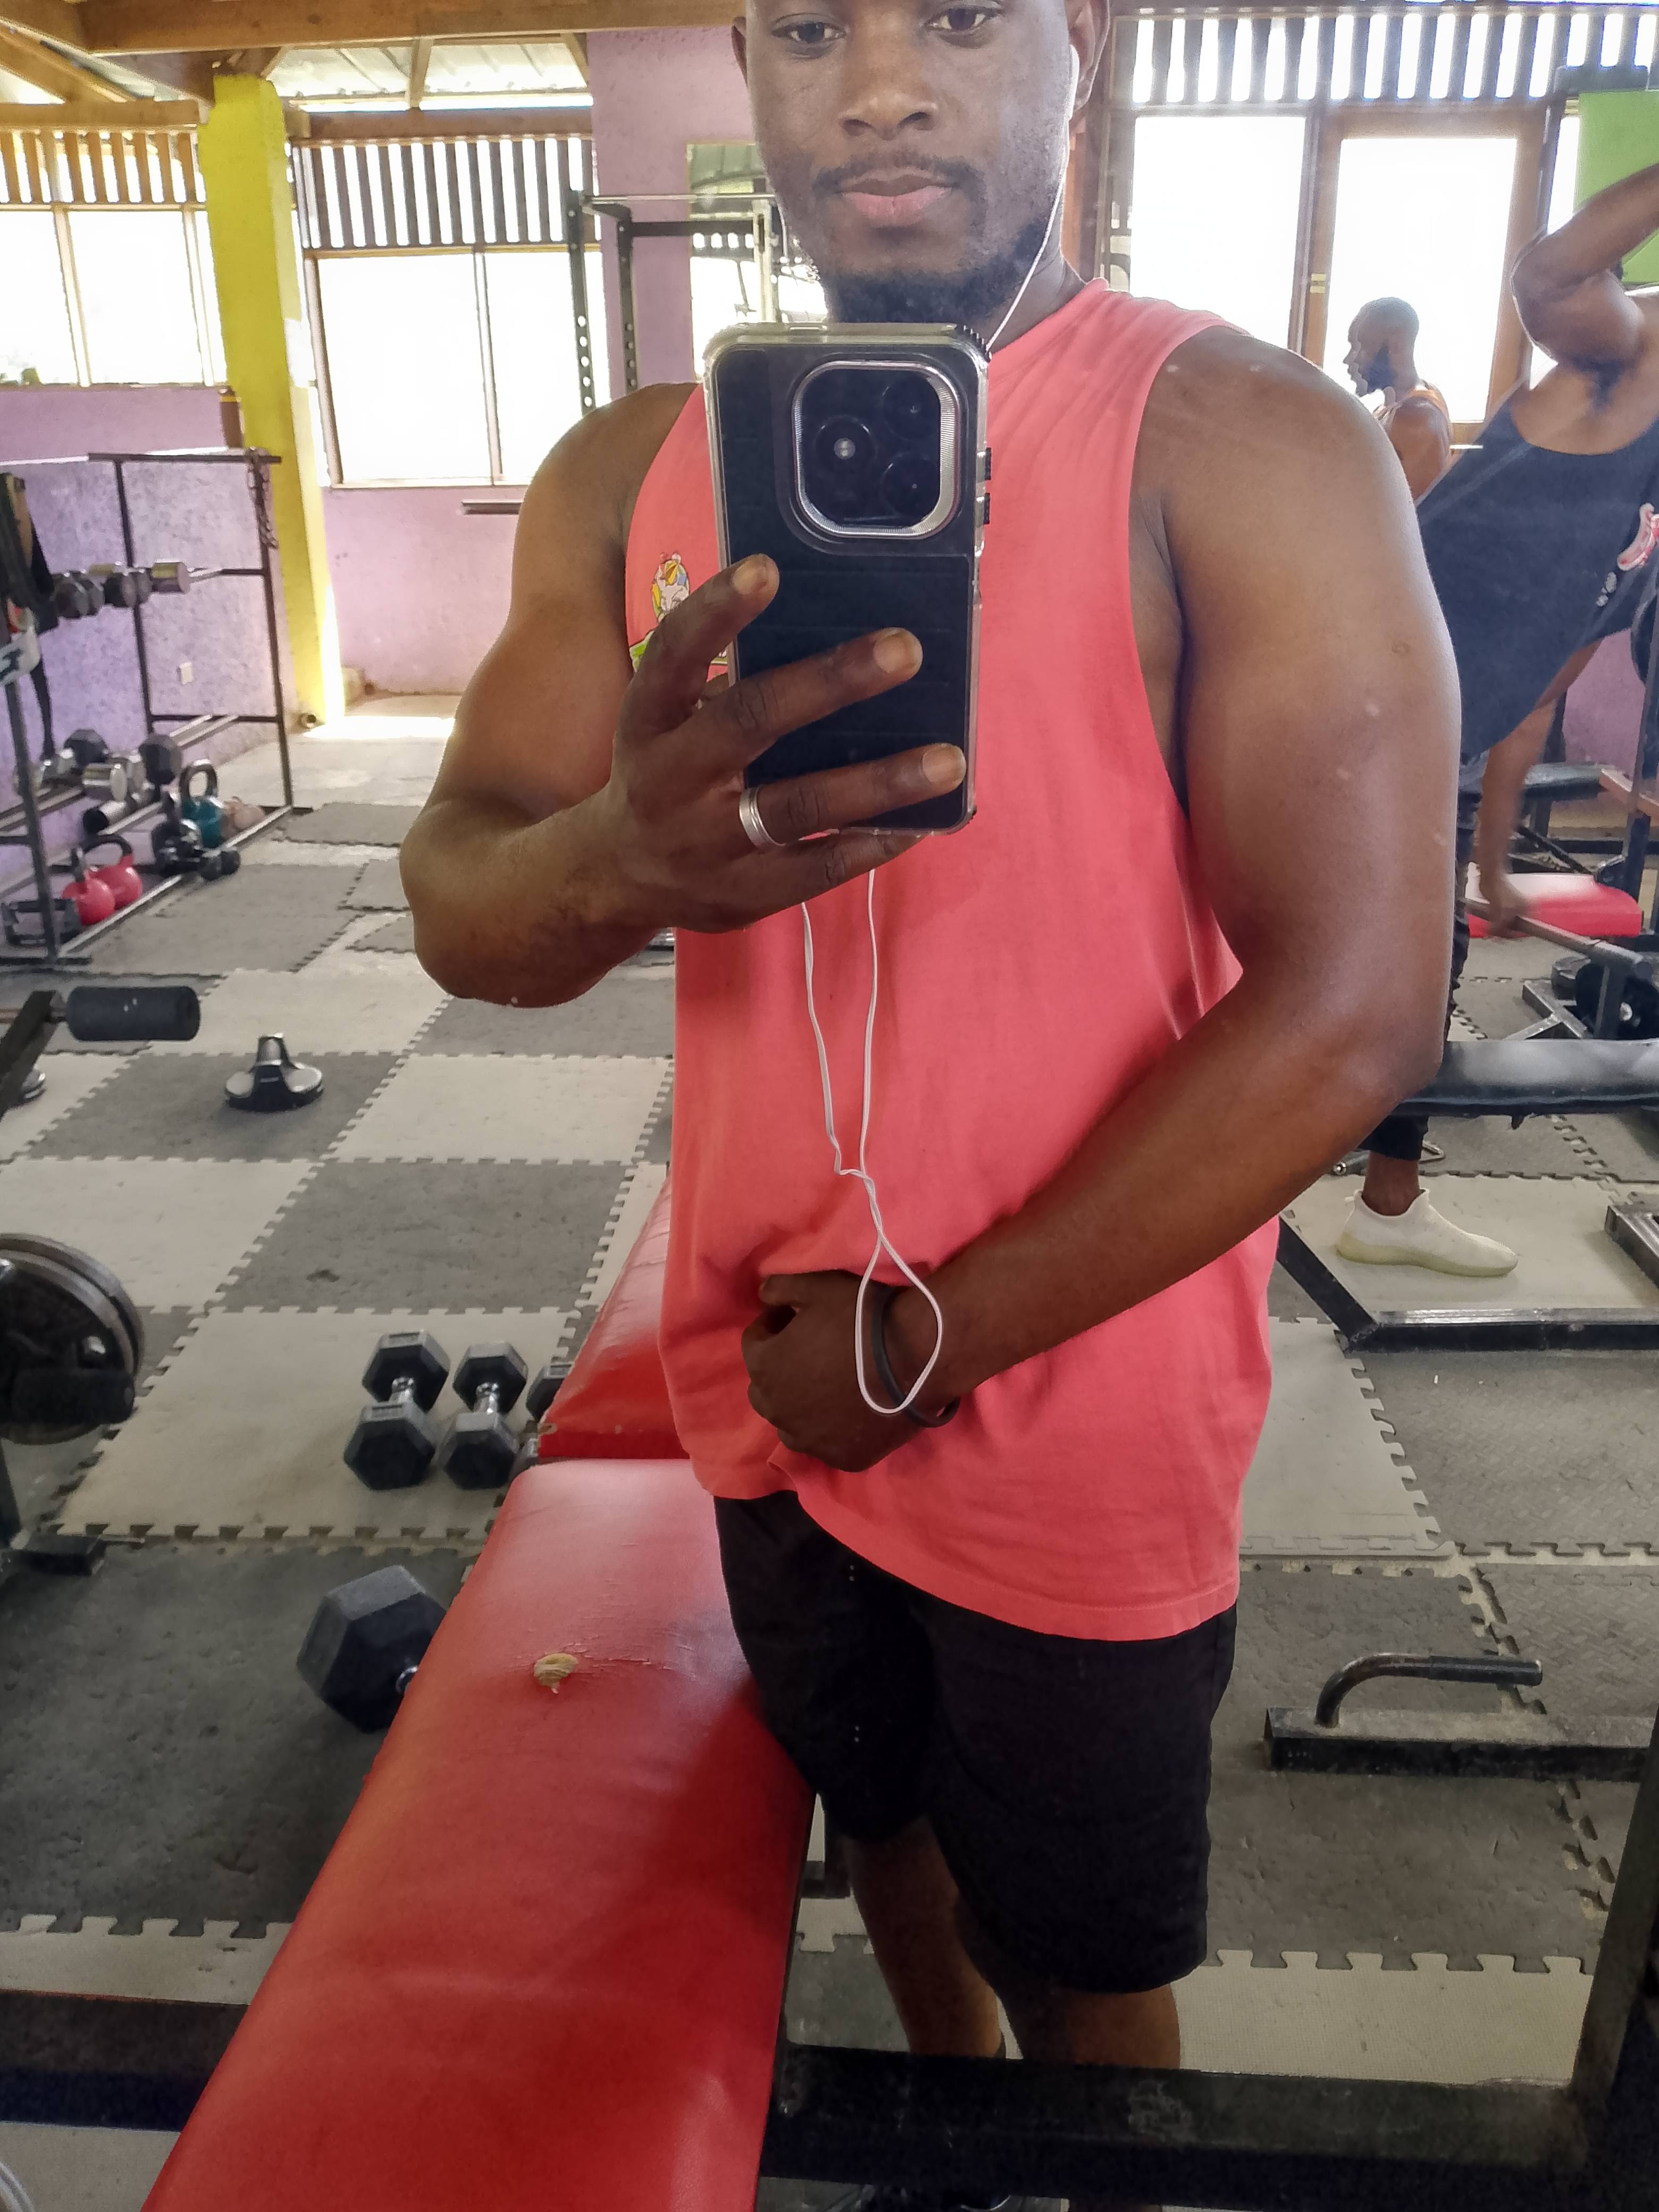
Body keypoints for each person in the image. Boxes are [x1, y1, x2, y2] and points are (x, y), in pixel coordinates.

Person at [401, 0, 1456, 2203]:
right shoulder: (626, 477)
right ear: (752, 73)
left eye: (959, 15)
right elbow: (463, 904)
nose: (881, 82)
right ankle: (951, 2138)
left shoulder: (1244, 441)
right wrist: (623, 860)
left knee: (1087, 1956)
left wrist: (936, 1335)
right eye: (813, 28)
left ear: (1079, 48)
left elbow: (1360, 1008)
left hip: (1069, 1401)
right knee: (875, 1820)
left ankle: (1064, 2163)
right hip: (763, 1365)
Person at [1340, 163, 1659, 1279]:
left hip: (1424, 747)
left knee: (1427, 963)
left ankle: (1386, 1206)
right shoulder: (1635, 368)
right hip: (1340, 702)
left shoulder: (1645, 518)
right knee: (1316, 953)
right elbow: (1553, 276)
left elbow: (1533, 703)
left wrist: (1491, 868)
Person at [1344, 296, 1453, 498]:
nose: (1349, 360)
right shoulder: (1390, 408)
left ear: (1396, 348)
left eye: (1360, 348)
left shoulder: (1416, 419)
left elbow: (1418, 512)